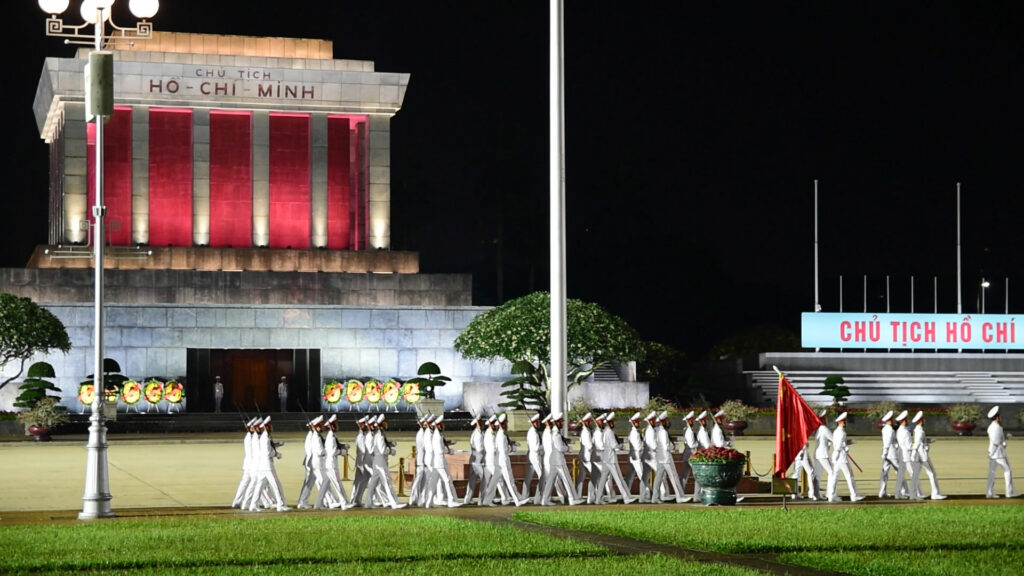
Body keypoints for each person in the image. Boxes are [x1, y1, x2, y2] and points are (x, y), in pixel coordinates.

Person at [247, 416, 290, 512]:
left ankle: (253, 505)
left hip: (263, 466)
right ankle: (281, 504)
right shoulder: (265, 438)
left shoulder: (264, 437)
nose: (272, 427)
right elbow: (267, 453)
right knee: (276, 485)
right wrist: (277, 454)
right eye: (270, 426)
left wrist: (277, 445)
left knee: (260, 485)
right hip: (267, 465)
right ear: (267, 427)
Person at [363, 414, 406, 509]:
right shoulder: (380, 435)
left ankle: (368, 502)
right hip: (380, 461)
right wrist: (391, 451)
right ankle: (394, 503)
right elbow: (382, 450)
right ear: (381, 424)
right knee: (387, 483)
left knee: (373, 483)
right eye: (384, 422)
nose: (386, 424)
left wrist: (390, 445)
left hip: (377, 461)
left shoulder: (378, 434)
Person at [539, 413, 582, 506]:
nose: (562, 424)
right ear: (557, 423)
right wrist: (568, 448)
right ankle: (572, 498)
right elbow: (559, 448)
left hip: (554, 460)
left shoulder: (554, 433)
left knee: (550, 481)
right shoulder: (556, 434)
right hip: (558, 460)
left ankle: (544, 499)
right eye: (561, 422)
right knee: (567, 480)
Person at [826, 412, 864, 503]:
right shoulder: (841, 432)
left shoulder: (837, 431)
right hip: (841, 458)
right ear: (840, 422)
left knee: (835, 477)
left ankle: (831, 496)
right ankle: (854, 496)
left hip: (838, 457)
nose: (845, 423)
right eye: (844, 422)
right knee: (849, 476)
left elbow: (840, 443)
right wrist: (843, 449)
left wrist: (848, 443)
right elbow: (838, 445)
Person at [909, 411, 946, 500]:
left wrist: (928, 441)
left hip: (919, 454)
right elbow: (917, 443)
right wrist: (913, 453)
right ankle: (935, 493)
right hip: (923, 455)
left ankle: (916, 492)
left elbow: (920, 441)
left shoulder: (917, 430)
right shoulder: (919, 431)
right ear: (921, 421)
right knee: (932, 474)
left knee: (917, 474)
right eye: (923, 419)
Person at [652, 410, 688, 503]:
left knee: (658, 478)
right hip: (666, 457)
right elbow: (666, 446)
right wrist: (673, 446)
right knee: (674, 476)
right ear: (663, 421)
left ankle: (654, 497)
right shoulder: (663, 431)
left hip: (660, 457)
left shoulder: (657, 430)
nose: (668, 422)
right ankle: (680, 496)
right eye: (667, 420)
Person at [322, 414, 354, 509]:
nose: (338, 426)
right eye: (336, 424)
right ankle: (344, 503)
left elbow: (335, 446)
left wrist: (343, 446)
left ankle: (326, 501)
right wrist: (342, 452)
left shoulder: (332, 435)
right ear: (332, 426)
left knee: (326, 484)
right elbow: (332, 452)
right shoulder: (331, 436)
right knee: (337, 483)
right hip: (331, 463)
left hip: (329, 463)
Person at [986, 406, 1019, 499]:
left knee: (991, 473)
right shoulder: (996, 427)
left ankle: (989, 493)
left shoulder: (994, 427)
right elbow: (996, 442)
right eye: (999, 416)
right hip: (998, 454)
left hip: (994, 453)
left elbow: (998, 441)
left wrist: (1006, 438)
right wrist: (992, 453)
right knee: (1007, 471)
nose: (1000, 418)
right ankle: (1009, 492)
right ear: (997, 417)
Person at [297, 415, 324, 509]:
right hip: (311, 462)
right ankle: (327, 501)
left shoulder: (313, 434)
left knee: (309, 483)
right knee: (317, 482)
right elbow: (309, 451)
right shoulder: (312, 436)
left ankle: (302, 501)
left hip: (311, 462)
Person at [230, 417, 259, 508]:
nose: (256, 429)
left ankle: (238, 501)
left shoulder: (250, 437)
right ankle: (248, 503)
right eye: (254, 427)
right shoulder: (251, 438)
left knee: (246, 483)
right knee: (257, 482)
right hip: (252, 464)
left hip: (248, 464)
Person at [622, 412, 650, 502]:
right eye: (637, 422)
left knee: (630, 477)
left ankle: (626, 494)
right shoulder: (635, 433)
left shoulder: (635, 432)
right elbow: (638, 447)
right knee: (642, 475)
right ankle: (647, 494)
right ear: (634, 423)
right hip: (637, 457)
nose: (639, 424)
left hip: (633, 457)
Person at [520, 413, 544, 503]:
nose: (539, 424)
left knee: (528, 477)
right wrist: (544, 446)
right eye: (537, 422)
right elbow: (536, 448)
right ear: (534, 423)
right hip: (535, 456)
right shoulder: (533, 433)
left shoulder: (533, 431)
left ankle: (524, 497)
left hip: (532, 456)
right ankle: (538, 498)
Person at [877, 410, 901, 499]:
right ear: (889, 420)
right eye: (892, 419)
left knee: (884, 473)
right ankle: (901, 492)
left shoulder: (886, 429)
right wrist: (885, 452)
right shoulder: (889, 430)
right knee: (899, 471)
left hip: (887, 452)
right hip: (891, 453)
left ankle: (882, 492)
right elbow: (887, 443)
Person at [407, 416, 429, 507]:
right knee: (418, 480)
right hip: (421, 460)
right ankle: (412, 499)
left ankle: (421, 500)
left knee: (423, 481)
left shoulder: (424, 433)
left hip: (424, 459)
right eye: (424, 423)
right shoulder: (421, 434)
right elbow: (424, 447)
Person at [464, 415, 486, 504]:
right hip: (477, 460)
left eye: (482, 421)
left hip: (476, 459)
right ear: (476, 423)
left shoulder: (481, 432)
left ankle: (467, 499)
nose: (482, 423)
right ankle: (482, 500)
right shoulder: (477, 435)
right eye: (480, 422)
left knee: (472, 480)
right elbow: (480, 449)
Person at [575, 412, 595, 502]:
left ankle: (578, 496)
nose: (591, 423)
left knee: (581, 478)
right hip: (588, 458)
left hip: (584, 457)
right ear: (586, 422)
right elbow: (590, 446)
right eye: (590, 422)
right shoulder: (586, 433)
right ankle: (591, 497)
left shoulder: (587, 431)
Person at [812, 409, 833, 494]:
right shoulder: (824, 429)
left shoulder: (818, 429)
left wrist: (828, 443)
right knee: (832, 472)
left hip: (817, 454)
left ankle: (815, 494)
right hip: (823, 454)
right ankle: (830, 493)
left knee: (818, 475)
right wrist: (848, 442)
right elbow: (835, 440)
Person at [894, 410, 912, 499]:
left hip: (901, 453)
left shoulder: (900, 431)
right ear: (904, 421)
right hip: (907, 454)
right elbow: (908, 445)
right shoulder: (905, 432)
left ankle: (901, 492)